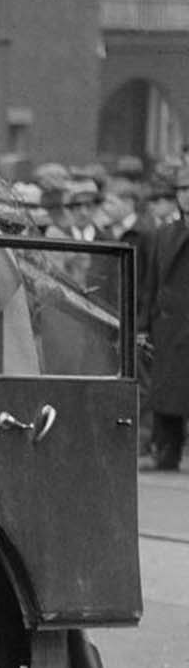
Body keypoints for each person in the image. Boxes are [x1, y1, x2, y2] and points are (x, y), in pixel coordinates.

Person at [135, 166, 189, 473]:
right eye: (181, 190)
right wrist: (143, 326)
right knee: (166, 393)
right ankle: (165, 452)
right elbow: (150, 285)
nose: (185, 196)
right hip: (169, 326)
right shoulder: (163, 235)